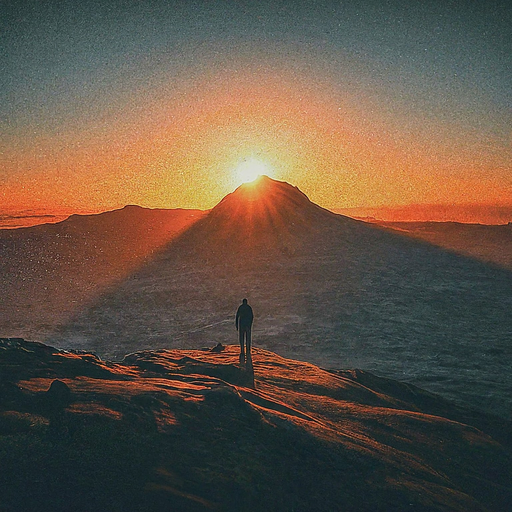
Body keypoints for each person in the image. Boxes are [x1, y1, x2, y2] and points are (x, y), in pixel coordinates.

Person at [235, 298, 253, 364]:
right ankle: (247, 351)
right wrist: (250, 324)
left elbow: (237, 317)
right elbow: (251, 317)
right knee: (247, 338)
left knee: (242, 338)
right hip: (247, 325)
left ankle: (242, 351)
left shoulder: (241, 307)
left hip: (242, 325)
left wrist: (236, 325)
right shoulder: (249, 308)